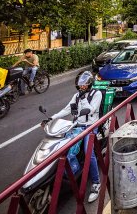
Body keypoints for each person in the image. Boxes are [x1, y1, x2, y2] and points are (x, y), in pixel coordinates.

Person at [46, 71, 102, 203]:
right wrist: (51, 118)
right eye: (80, 85)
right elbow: (67, 109)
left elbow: (91, 110)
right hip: (78, 125)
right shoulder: (77, 95)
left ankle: (96, 183)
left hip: (91, 126)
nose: (81, 87)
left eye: (84, 85)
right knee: (61, 145)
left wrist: (83, 98)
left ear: (89, 84)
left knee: (90, 153)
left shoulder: (96, 94)